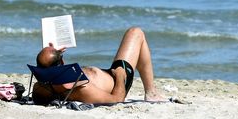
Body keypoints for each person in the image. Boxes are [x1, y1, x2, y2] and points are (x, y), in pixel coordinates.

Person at [33, 27, 164, 104]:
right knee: (136, 33)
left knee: (136, 42)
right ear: (61, 63)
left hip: (106, 74)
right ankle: (151, 92)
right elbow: (117, 99)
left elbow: (50, 68)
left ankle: (151, 91)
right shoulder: (81, 88)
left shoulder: (42, 86)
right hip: (116, 81)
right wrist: (119, 76)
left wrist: (56, 54)